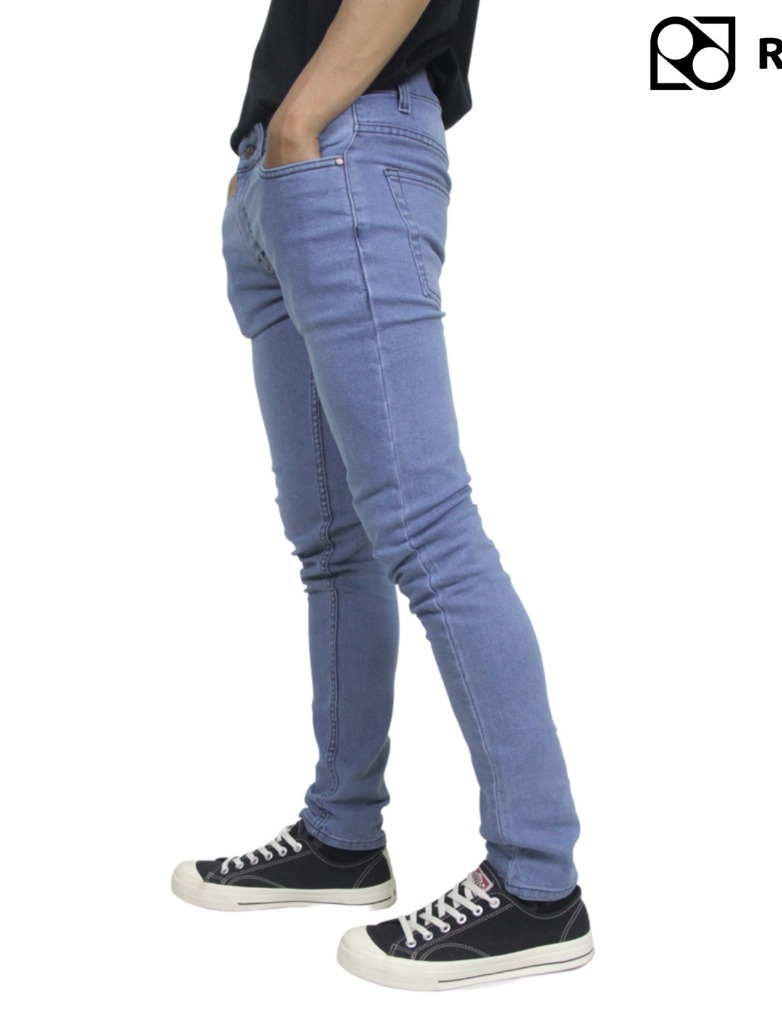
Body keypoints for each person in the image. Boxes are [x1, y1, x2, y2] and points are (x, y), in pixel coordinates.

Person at [170, 0, 594, 991]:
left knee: (429, 535)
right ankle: (342, 835)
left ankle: (538, 885)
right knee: (332, 544)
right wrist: (263, 155)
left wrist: (300, 120)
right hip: (286, 171)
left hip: (341, 144)